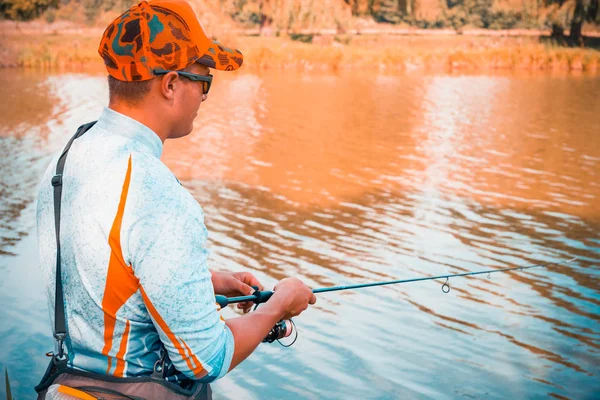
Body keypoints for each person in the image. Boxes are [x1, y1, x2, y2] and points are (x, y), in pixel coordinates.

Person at [35, 1, 316, 398]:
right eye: (204, 81)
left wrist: (202, 283)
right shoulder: (157, 194)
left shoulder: (67, 159)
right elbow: (205, 359)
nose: (204, 96)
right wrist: (280, 304)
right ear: (170, 84)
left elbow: (96, 278)